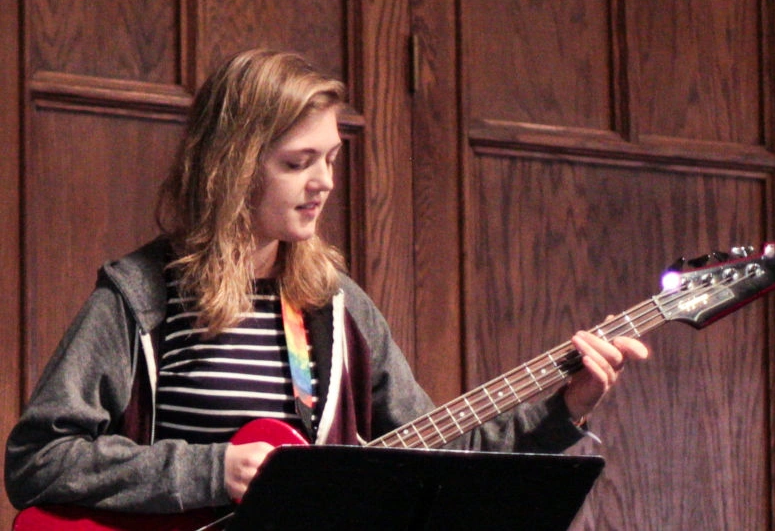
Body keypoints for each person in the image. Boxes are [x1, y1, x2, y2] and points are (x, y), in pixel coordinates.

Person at [4, 49, 649, 516]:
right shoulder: (140, 295)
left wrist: (567, 409)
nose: (325, 183)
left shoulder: (336, 308)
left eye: (331, 160)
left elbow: (444, 454)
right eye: (298, 162)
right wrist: (212, 470)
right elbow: (38, 459)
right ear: (229, 164)